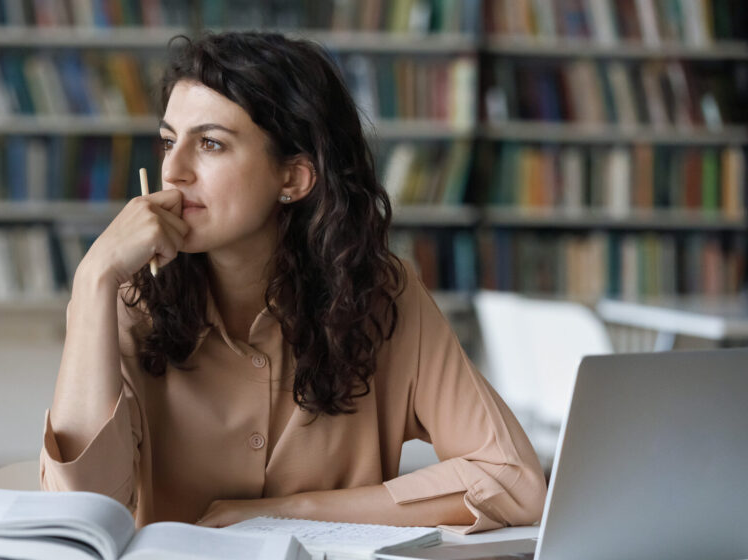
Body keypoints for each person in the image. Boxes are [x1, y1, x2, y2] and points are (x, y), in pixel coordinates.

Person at [40, 32, 546, 533]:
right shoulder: (129, 298)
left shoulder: (383, 296)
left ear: (294, 178)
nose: (174, 171)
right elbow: (79, 518)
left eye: (210, 143)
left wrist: (291, 510)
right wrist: (92, 280)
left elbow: (514, 480)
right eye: (170, 141)